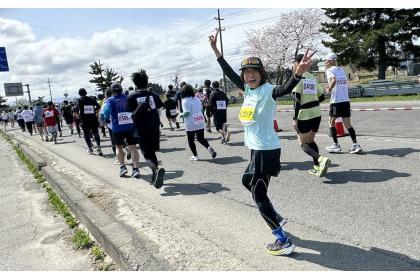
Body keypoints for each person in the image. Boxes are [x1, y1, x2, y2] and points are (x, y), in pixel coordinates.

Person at [209, 29, 315, 256]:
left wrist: (296, 74)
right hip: (256, 150)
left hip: (266, 150)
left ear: (261, 73)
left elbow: (285, 88)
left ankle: (282, 239)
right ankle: (276, 217)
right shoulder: (248, 90)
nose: (249, 75)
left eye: (254, 71)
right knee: (247, 181)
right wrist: (216, 50)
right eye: (246, 72)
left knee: (259, 195)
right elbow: (228, 72)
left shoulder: (268, 91)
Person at [291, 54, 331, 177]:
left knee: (302, 143)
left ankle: (320, 159)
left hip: (305, 114)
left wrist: (294, 119)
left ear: (297, 63)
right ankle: (317, 167)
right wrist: (312, 102)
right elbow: (322, 96)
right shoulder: (312, 78)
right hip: (317, 113)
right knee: (311, 140)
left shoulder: (298, 78)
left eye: (293, 62)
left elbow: (296, 100)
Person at [127, 69, 165, 189]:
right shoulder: (153, 95)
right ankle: (155, 175)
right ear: (147, 82)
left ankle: (155, 169)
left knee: (146, 153)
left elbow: (130, 115)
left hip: (140, 128)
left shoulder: (132, 96)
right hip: (154, 126)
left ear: (135, 83)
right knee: (151, 151)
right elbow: (159, 110)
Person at [324, 53, 362, 154]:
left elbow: (333, 80)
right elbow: (345, 83)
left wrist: (329, 89)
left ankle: (335, 145)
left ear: (332, 60)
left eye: (326, 60)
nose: (325, 62)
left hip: (336, 101)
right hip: (345, 100)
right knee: (348, 124)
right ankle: (355, 144)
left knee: (331, 122)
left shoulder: (329, 70)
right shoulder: (341, 70)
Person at [101, 83, 141, 178]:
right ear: (121, 89)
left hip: (117, 127)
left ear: (112, 91)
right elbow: (136, 108)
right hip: (130, 126)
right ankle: (135, 169)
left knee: (118, 147)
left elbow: (106, 110)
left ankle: (123, 167)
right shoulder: (128, 97)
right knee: (133, 148)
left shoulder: (110, 100)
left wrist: (106, 118)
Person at [179, 84, 217, 161]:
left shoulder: (185, 101)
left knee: (191, 140)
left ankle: (195, 156)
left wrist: (181, 115)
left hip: (191, 123)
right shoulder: (196, 99)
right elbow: (202, 110)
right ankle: (208, 147)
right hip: (199, 120)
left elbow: (187, 113)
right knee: (201, 138)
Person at [74, 88, 103, 155]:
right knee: (96, 133)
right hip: (93, 118)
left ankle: (90, 148)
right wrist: (93, 109)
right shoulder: (91, 99)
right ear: (86, 92)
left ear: (79, 94)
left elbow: (76, 109)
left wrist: (78, 113)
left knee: (86, 134)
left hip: (84, 120)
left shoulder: (78, 100)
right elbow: (98, 106)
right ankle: (99, 147)